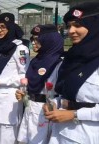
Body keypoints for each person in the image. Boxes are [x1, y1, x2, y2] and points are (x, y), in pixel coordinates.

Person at [44, 2, 99, 144]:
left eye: (78, 25)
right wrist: (55, 103)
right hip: (60, 133)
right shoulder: (71, 59)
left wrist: (74, 115)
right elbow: (67, 95)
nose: (71, 31)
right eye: (69, 26)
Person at [0, 12, 30, 144]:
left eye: (3, 27)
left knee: (6, 139)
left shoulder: (20, 49)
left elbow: (24, 77)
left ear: (10, 28)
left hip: (8, 104)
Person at [15, 24, 64, 144]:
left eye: (37, 40)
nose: (33, 43)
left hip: (47, 110)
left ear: (49, 40)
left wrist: (53, 104)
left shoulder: (59, 63)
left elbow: (63, 93)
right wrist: (24, 95)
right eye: (32, 39)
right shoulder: (35, 61)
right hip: (30, 108)